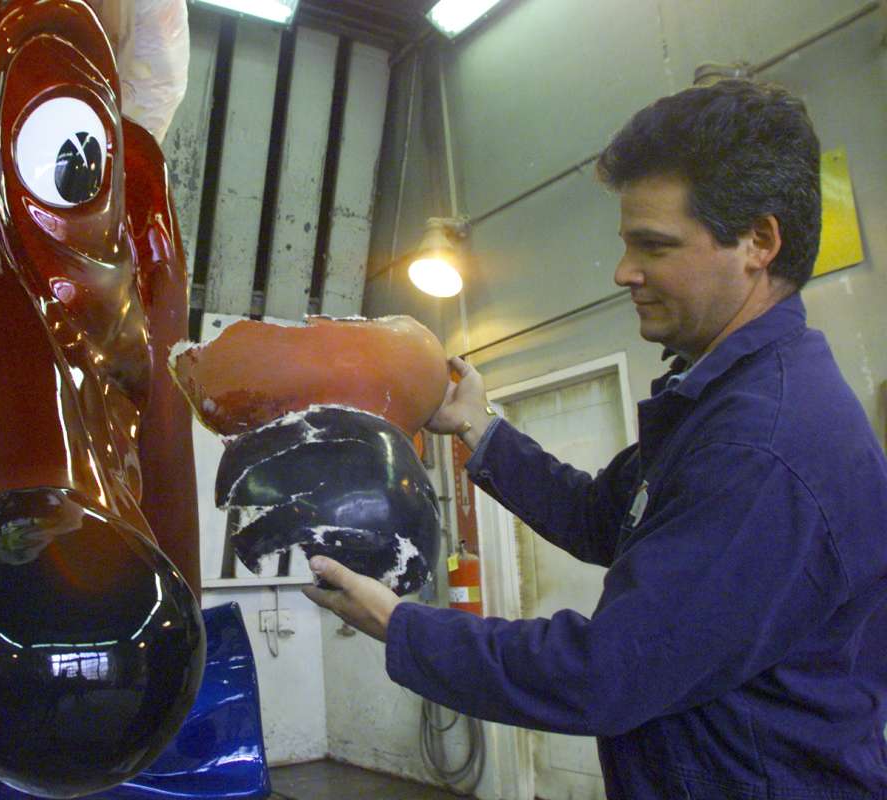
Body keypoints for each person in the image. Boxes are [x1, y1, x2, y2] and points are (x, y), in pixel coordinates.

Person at [303, 79, 887, 798]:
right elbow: (602, 519)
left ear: (759, 243)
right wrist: (479, 431)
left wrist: (402, 627)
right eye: (626, 242)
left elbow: (608, 672)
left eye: (655, 246)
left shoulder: (763, 444)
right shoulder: (718, 404)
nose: (624, 272)